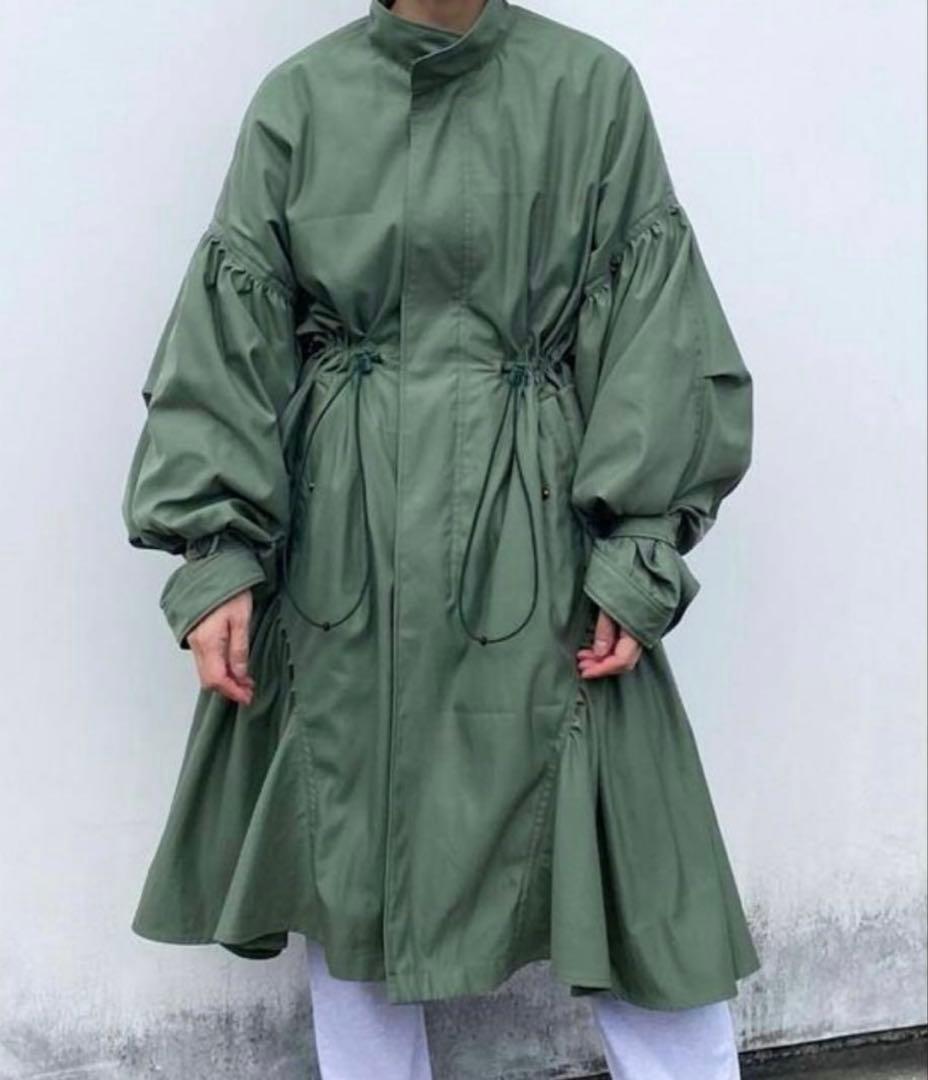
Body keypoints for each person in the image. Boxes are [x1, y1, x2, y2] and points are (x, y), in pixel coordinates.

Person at [121, 0, 760, 1075]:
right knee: (351, 858)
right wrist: (215, 551)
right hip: (344, 550)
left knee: (642, 871)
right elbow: (227, 334)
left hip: (542, 539)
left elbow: (658, 325)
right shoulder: (301, 100)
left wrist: (640, 547)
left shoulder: (588, 89)